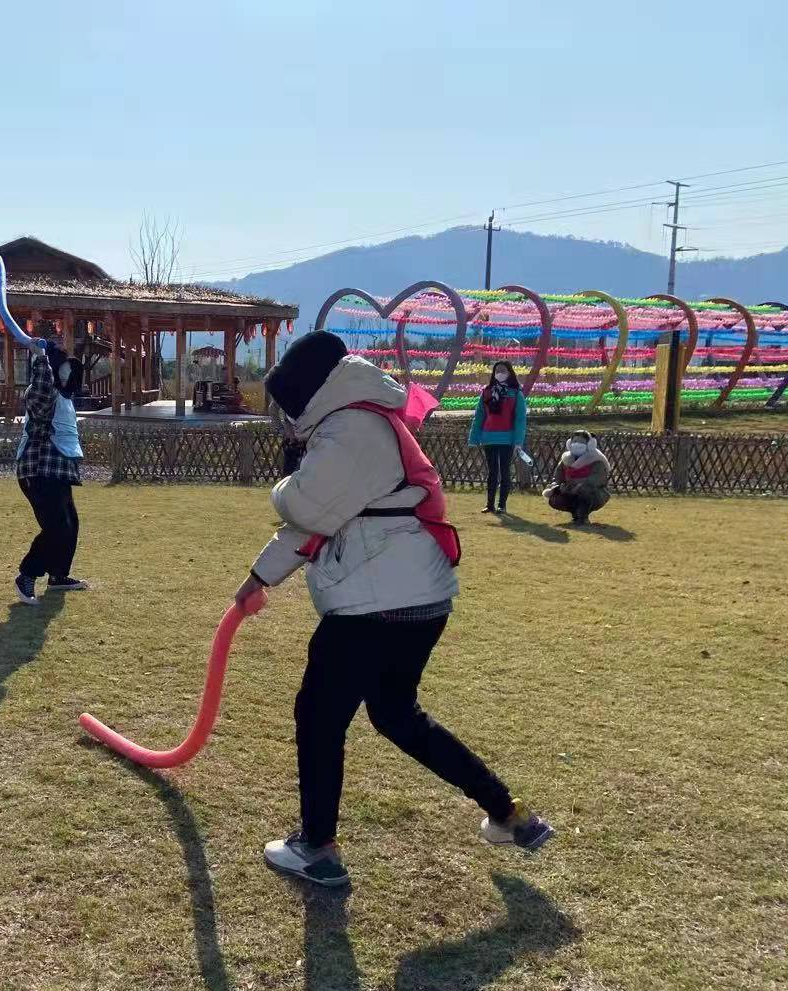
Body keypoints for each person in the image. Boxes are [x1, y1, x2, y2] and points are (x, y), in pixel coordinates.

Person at [234, 330, 553, 889]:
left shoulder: (349, 428)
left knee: (320, 717)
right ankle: (509, 814)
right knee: (395, 714)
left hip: (373, 603)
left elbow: (305, 506)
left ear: (306, 393)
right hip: (416, 598)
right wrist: (260, 577)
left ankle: (317, 848)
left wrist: (282, 486)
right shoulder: (365, 417)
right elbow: (325, 518)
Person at [14, 341, 89, 604]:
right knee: (57, 527)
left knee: (70, 524)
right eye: (63, 368)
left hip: (58, 471)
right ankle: (27, 574)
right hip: (38, 470)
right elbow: (40, 392)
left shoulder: (64, 397)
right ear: (53, 369)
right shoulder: (42, 393)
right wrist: (40, 358)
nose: (68, 373)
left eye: (70, 369)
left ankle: (58, 575)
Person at [468, 360, 528, 514]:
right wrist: (473, 438)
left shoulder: (516, 394)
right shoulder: (486, 392)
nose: (500, 374)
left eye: (503, 371)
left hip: (507, 439)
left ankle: (502, 505)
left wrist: (518, 441)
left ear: (509, 373)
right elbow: (479, 416)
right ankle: (490, 504)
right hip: (489, 438)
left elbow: (520, 419)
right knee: (492, 472)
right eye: (497, 371)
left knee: (505, 471)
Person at [545, 430, 611, 525]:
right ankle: (575, 515)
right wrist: (558, 487)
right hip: (569, 490)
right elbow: (558, 478)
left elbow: (596, 480)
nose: (577, 445)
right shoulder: (566, 460)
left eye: (581, 442)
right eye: (575, 442)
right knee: (555, 498)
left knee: (585, 492)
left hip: (595, 492)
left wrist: (579, 485)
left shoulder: (597, 460)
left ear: (590, 445)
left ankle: (583, 517)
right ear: (570, 443)